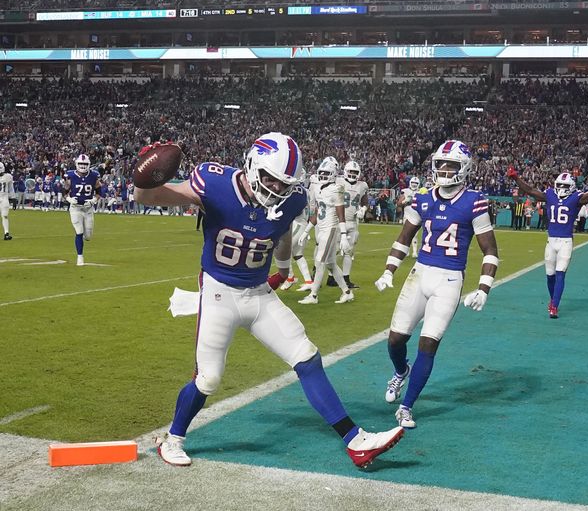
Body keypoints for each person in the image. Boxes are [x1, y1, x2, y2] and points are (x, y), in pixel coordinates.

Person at [134, 133, 404, 468]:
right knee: (209, 378)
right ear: (252, 166)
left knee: (306, 356)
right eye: (270, 179)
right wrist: (144, 176)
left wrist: (284, 268)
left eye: (284, 183)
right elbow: (149, 196)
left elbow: (282, 232)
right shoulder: (215, 183)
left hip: (259, 293)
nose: (276, 189)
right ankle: (173, 439)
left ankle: (355, 441)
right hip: (220, 292)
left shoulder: (292, 199)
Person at [374, 140, 498, 429]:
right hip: (420, 273)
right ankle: (400, 371)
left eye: (450, 165)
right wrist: (389, 270)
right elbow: (404, 238)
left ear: (463, 168)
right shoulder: (422, 198)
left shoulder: (474, 201)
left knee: (428, 344)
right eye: (440, 164)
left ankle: (406, 407)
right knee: (395, 340)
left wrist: (484, 288)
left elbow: (490, 250)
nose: (443, 170)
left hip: (449, 279)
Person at [506, 166, 588, 318]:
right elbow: (530, 190)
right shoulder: (550, 195)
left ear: (571, 186)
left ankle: (554, 306)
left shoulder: (576, 198)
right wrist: (515, 178)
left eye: (565, 186)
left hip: (565, 241)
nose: (561, 188)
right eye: (560, 185)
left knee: (560, 273)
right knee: (550, 275)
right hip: (551, 240)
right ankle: (553, 299)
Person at [297, 157, 354, 305]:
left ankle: (313, 295)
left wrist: (343, 235)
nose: (322, 176)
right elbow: (317, 212)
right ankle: (347, 292)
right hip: (321, 229)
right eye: (321, 173)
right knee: (331, 264)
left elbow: (341, 214)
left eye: (326, 173)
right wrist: (306, 231)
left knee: (319, 261)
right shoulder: (319, 188)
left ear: (333, 174)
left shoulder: (336, 189)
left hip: (330, 229)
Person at [62, 154, 101, 266]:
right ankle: (80, 257)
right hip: (76, 208)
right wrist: (69, 199)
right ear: (76, 164)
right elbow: (64, 192)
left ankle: (83, 237)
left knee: (88, 236)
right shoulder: (70, 176)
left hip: (88, 209)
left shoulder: (94, 176)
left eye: (85, 164)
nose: (83, 166)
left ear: (88, 164)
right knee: (79, 231)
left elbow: (99, 192)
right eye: (80, 163)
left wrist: (93, 200)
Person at [336, 160, 369, 288]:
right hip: (338, 221)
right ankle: (330, 276)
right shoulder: (338, 181)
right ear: (345, 171)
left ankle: (346, 278)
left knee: (348, 252)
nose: (353, 174)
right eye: (350, 171)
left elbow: (365, 202)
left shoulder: (362, 185)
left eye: (355, 172)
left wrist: (363, 209)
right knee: (334, 250)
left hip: (352, 222)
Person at [281, 169, 313, 291]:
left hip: (297, 223)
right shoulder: (306, 191)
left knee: (283, 250)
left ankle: (290, 278)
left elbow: (295, 210)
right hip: (302, 223)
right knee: (298, 255)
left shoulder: (296, 190)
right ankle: (308, 281)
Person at [398, 177, 421, 256]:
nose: (414, 185)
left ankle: (414, 251)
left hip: (417, 215)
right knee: (406, 234)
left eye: (416, 183)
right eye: (413, 183)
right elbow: (399, 204)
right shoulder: (405, 191)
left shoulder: (421, 192)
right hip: (407, 215)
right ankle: (406, 251)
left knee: (415, 234)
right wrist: (405, 201)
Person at [0, 162, 12, 240]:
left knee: (5, 216)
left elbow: (11, 188)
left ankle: (6, 233)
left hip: (4, 198)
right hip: (4, 198)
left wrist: (13, 198)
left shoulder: (8, 176)